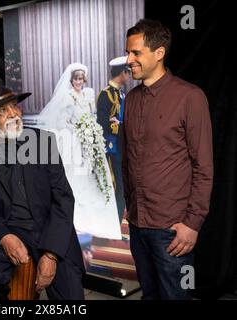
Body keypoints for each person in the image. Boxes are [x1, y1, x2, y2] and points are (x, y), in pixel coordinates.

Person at [0, 82, 85, 300]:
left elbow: (63, 199)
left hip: (48, 229)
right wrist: (4, 237)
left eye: (14, 107)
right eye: (2, 111)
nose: (13, 114)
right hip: (5, 229)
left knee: (71, 295)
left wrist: (51, 253)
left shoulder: (43, 141)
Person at [123, 19, 213, 299]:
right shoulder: (132, 99)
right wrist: (129, 205)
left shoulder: (190, 97)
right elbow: (128, 158)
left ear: (158, 53)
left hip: (173, 229)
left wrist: (192, 224)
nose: (129, 60)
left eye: (135, 53)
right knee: (149, 295)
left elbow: (204, 166)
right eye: (128, 52)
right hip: (138, 225)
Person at [36, 63, 122, 240]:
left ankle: (94, 218)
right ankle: (75, 218)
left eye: (81, 79)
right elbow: (62, 122)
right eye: (76, 79)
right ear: (72, 80)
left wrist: (91, 129)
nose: (79, 82)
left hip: (90, 140)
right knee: (76, 178)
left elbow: (93, 116)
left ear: (84, 80)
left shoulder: (89, 94)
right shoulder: (67, 97)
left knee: (93, 177)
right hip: (74, 141)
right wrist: (79, 129)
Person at [96, 56, 130, 224]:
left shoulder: (120, 93)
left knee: (122, 186)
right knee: (117, 186)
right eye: (128, 73)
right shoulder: (106, 94)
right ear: (123, 73)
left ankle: (115, 223)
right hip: (112, 147)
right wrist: (119, 126)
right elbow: (101, 124)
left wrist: (121, 123)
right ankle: (113, 225)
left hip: (121, 145)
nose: (129, 76)